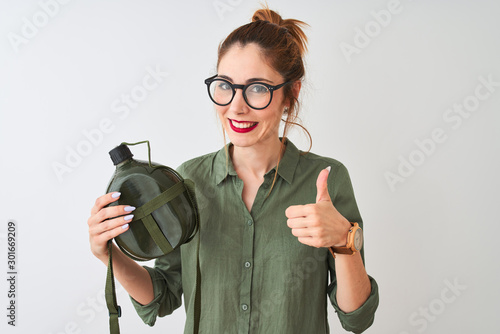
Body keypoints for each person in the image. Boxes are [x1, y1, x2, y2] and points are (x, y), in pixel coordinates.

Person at [88, 7, 379, 334]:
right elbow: (165, 294)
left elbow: (357, 318)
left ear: (291, 93)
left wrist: (344, 241)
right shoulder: (188, 180)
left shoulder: (328, 180)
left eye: (257, 88)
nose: (236, 107)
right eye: (225, 85)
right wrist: (109, 254)